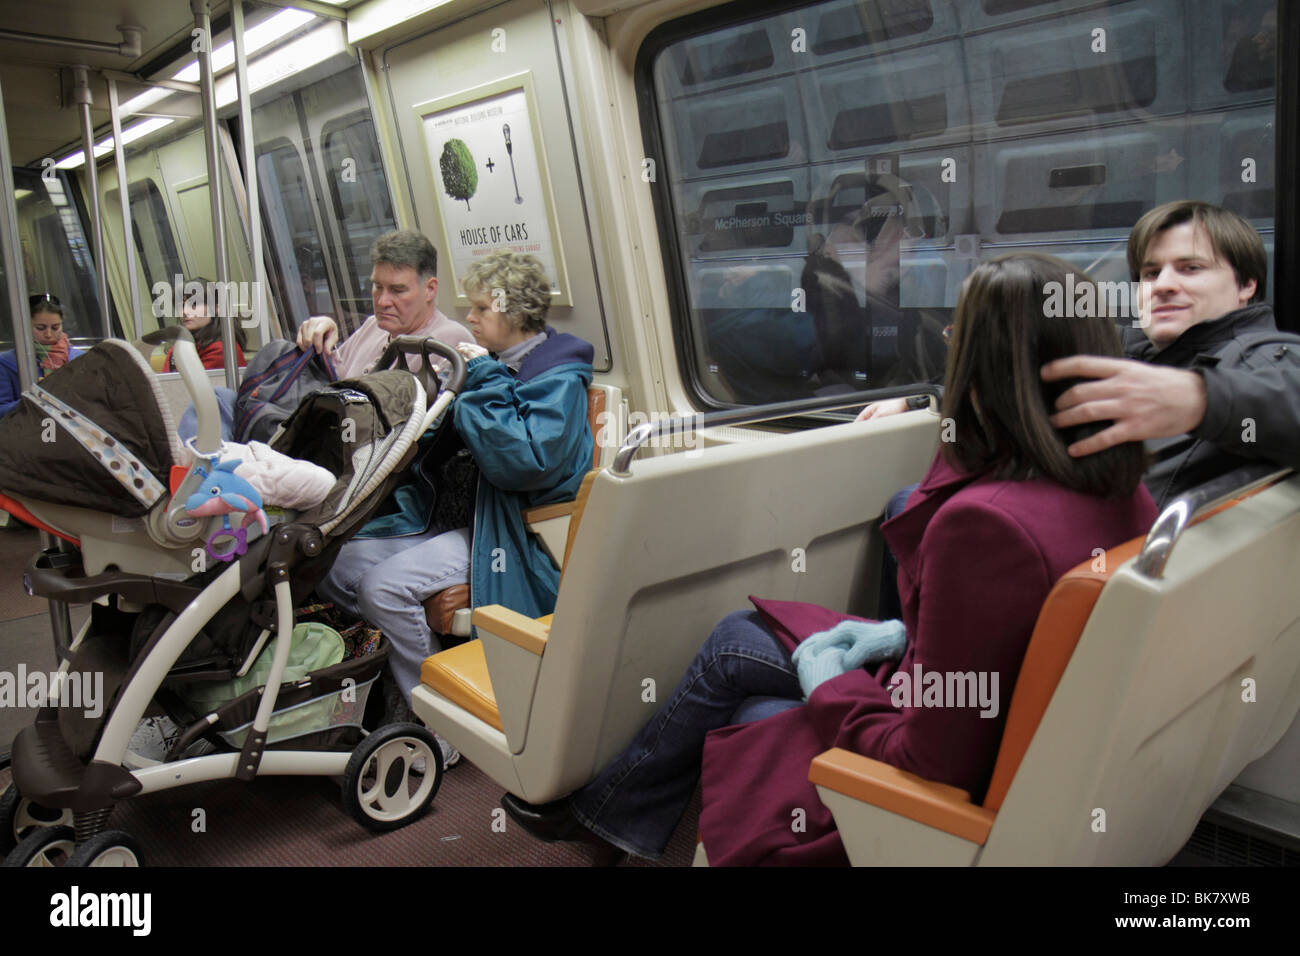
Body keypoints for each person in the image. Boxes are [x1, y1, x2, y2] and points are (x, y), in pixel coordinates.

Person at [503, 253, 1156, 865]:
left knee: (750, 706)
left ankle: (605, 819)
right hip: (1009, 720)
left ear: (981, 366)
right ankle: (610, 815)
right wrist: (899, 632)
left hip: (946, 770)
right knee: (737, 637)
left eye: (960, 338)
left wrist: (827, 680)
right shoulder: (1125, 491)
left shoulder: (984, 524)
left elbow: (928, 759)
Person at [314, 250, 593, 765]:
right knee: (334, 564)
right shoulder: (492, 366)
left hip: (509, 532)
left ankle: (441, 720)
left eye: (482, 309)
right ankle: (424, 667)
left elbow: (523, 462)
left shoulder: (557, 378)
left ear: (511, 315)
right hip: (452, 513)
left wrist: (480, 381)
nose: (469, 318)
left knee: (382, 588)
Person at [1041, 199, 1300, 508]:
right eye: (1150, 274)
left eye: (1190, 268)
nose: (1162, 285)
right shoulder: (1127, 352)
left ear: (1246, 284)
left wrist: (1201, 399)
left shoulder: (1259, 357)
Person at [296, 229, 474, 379]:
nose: (382, 301)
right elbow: (333, 379)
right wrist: (322, 340)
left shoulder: (451, 340)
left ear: (430, 289)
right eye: (377, 286)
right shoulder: (373, 326)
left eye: (397, 290)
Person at [0, 293, 85, 417]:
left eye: (55, 327)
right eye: (40, 328)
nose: (48, 334)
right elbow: (2, 410)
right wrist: (34, 399)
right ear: (26, 326)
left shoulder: (80, 358)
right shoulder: (6, 362)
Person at [163, 277, 247, 372]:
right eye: (181, 306)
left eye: (194, 304)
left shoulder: (222, 350)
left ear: (216, 308)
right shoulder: (182, 344)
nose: (185, 311)